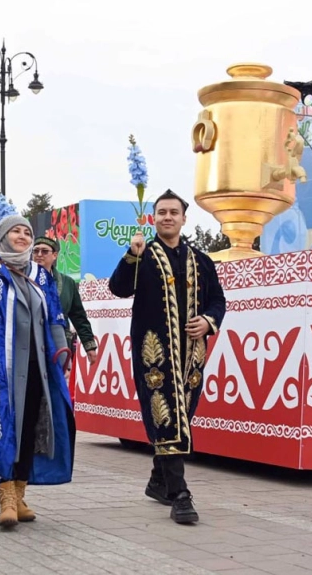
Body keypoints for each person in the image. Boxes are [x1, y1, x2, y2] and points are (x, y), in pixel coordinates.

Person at [108, 189, 225, 525]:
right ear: (153, 218)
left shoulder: (201, 260)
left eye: (174, 212)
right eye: (162, 212)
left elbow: (218, 300)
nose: (168, 217)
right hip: (154, 355)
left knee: (182, 416)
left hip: (192, 355)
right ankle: (180, 493)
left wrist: (208, 321)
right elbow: (118, 288)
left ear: (184, 218)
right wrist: (131, 254)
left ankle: (159, 482)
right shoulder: (142, 254)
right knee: (166, 418)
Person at [0, 208, 75, 528]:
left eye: (26, 233)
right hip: (0, 369)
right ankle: (5, 497)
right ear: (1, 237)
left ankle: (20, 495)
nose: (22, 237)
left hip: (39, 366)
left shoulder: (40, 274)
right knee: (3, 429)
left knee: (30, 428)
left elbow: (54, 315)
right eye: (15, 231)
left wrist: (62, 352)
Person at [32, 237, 98, 369]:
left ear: (55, 255)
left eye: (44, 251)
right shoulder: (24, 279)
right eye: (36, 251)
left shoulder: (67, 283)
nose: (39, 255)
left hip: (59, 344)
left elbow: (78, 316)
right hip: (31, 345)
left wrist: (89, 345)